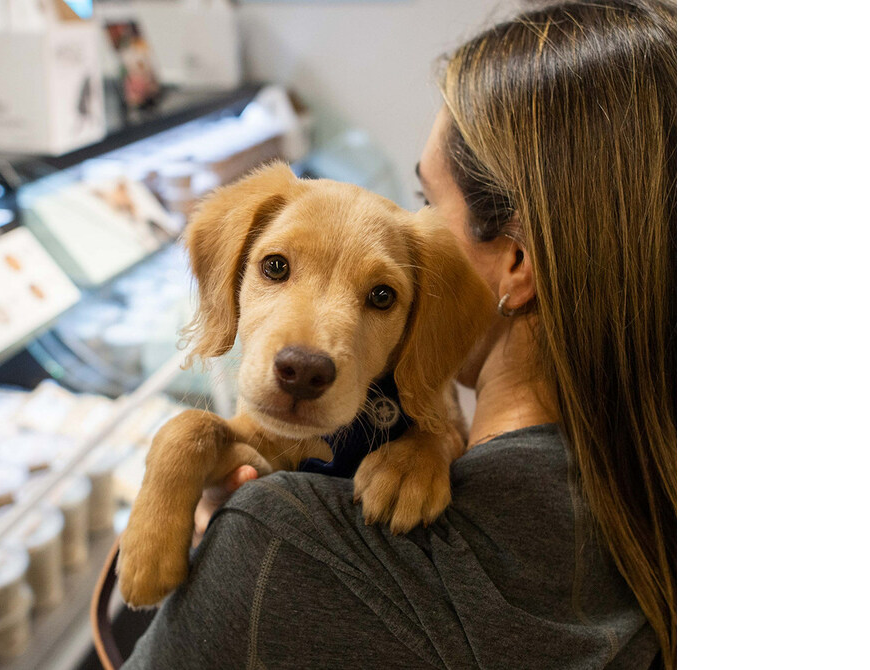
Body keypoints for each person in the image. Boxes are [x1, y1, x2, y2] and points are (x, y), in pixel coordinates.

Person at [122, 1, 676, 668]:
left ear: (515, 263)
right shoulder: (650, 489)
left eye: (424, 201)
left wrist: (425, 445)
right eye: (275, 267)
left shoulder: (276, 545)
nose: (308, 351)